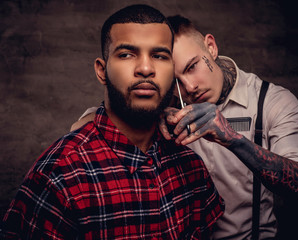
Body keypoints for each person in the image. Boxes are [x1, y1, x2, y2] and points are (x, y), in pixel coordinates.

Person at [71, 15, 298, 239]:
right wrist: (152, 116)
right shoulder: (165, 98)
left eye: (192, 67)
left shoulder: (271, 101)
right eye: (175, 79)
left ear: (210, 47)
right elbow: (85, 127)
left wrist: (233, 139)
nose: (189, 87)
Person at [0, 6, 224, 239]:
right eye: (127, 54)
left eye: (159, 56)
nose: (146, 68)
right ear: (102, 71)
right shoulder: (59, 174)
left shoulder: (191, 167)